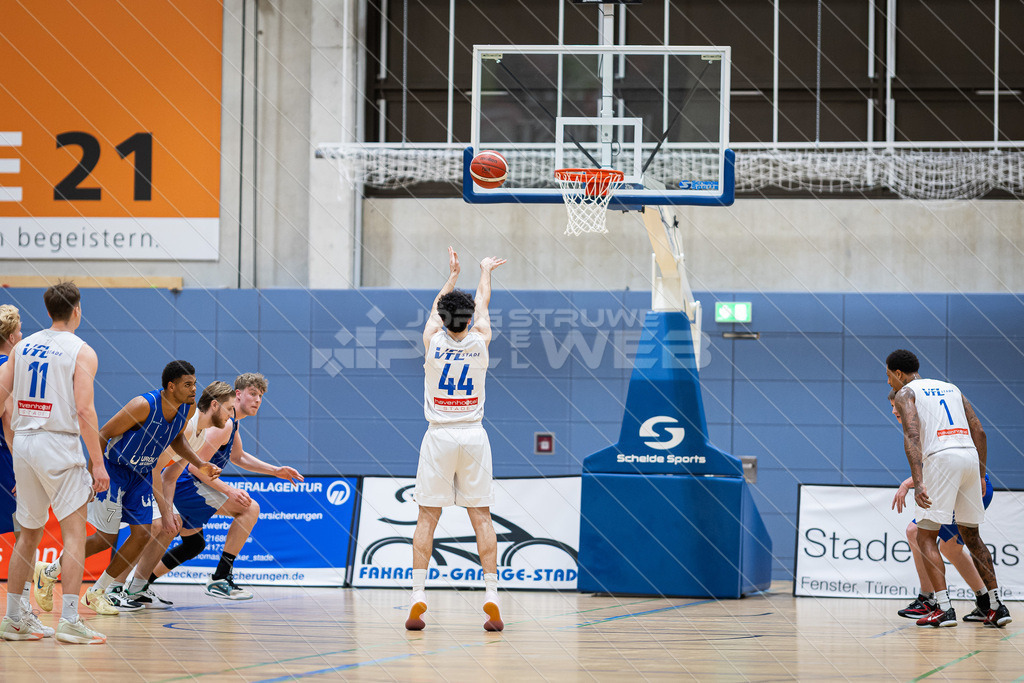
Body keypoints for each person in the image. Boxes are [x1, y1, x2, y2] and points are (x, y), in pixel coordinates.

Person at [35, 360, 222, 614]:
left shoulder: (186, 410)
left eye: (194, 384)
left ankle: (97, 592)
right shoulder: (143, 405)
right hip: (116, 472)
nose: (193, 390)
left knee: (143, 533)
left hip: (142, 475)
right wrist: (95, 474)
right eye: (188, 384)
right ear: (171, 386)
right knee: (104, 540)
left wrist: (200, 463)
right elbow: (103, 434)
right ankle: (48, 572)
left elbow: (176, 438)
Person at [0, 282, 109, 644]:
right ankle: (71, 621)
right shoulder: (82, 350)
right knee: (75, 534)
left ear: (48, 311)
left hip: (24, 443)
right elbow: (84, 409)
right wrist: (98, 463)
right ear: (77, 309)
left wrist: (18, 449)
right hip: (59, 443)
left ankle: (13, 618)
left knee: (28, 534)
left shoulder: (23, 346)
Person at [131, 373, 302, 601]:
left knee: (194, 544)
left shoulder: (233, 423)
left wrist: (275, 471)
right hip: (185, 483)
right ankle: (220, 578)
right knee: (250, 508)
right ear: (238, 394)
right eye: (253, 394)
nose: (257, 400)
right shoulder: (225, 424)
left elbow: (239, 457)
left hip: (183, 482)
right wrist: (229, 490)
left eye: (261, 396)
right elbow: (195, 467)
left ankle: (139, 586)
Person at [406, 247, 507, 632]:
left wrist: (451, 275)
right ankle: (492, 595)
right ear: (468, 320)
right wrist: (483, 271)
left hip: (439, 436)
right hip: (474, 436)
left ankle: (418, 595)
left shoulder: (433, 340)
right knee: (481, 517)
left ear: (444, 319)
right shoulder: (481, 338)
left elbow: (437, 309)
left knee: (427, 518)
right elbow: (482, 300)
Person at [886, 348, 1011, 628]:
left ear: (898, 373)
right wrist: (980, 474)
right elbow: (979, 431)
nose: (889, 383)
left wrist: (918, 481)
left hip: (941, 461)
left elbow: (912, 436)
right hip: (969, 456)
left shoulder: (907, 393)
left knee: (925, 536)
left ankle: (943, 608)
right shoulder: (951, 388)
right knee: (972, 537)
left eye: (888, 377)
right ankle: (996, 606)